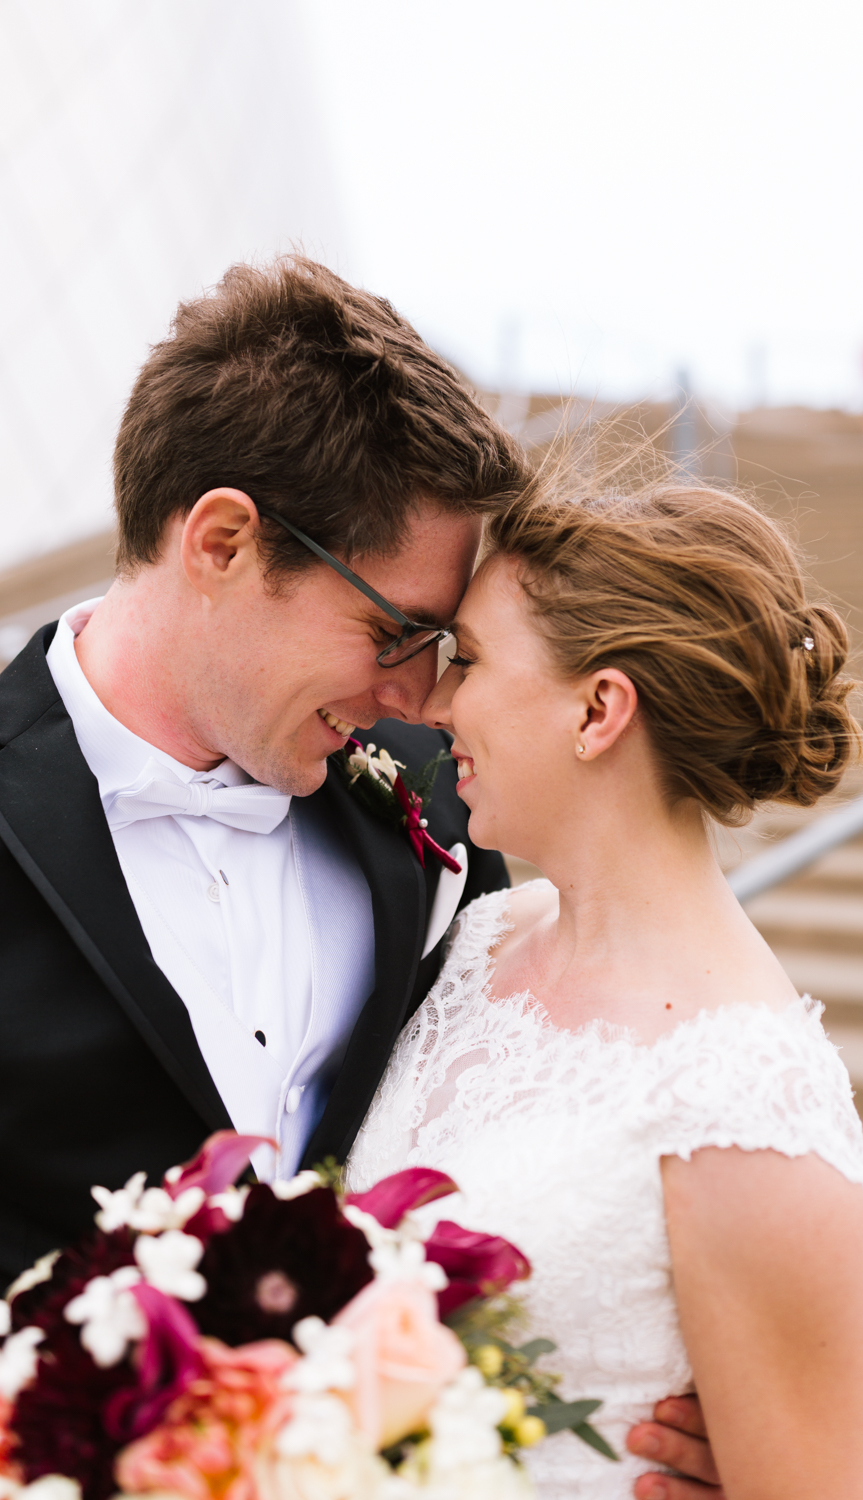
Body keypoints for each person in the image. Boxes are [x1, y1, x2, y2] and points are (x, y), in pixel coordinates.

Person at [0, 258, 716, 1499]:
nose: (418, 695)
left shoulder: (431, 804)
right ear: (221, 541)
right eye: (393, 632)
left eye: (441, 649)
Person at [346, 447, 863, 1500]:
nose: (434, 701)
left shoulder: (744, 1103)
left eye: (473, 660)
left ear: (597, 712)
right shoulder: (486, 939)